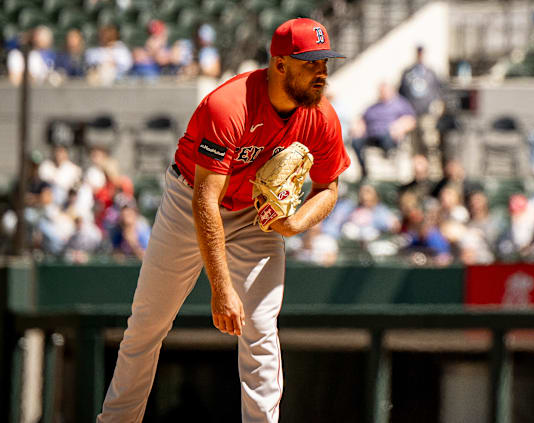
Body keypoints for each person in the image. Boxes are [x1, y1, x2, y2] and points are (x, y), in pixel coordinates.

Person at [98, 18, 350, 423]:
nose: (321, 72)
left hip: (253, 213)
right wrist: (221, 287)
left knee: (262, 328)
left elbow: (329, 188)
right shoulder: (230, 105)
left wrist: (296, 223)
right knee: (147, 324)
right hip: (190, 203)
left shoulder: (321, 116)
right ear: (281, 64)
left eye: (325, 62)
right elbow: (205, 200)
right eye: (311, 63)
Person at [350, 82, 416, 180]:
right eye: (381, 91)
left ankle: (388, 163)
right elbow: (362, 119)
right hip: (371, 135)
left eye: (385, 91)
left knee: (387, 137)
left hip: (390, 135)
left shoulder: (401, 104)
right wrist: (358, 127)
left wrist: (401, 127)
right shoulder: (373, 107)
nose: (383, 93)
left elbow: (411, 120)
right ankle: (364, 169)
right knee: (356, 141)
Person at [399, 46, 443, 157]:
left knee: (429, 142)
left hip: (427, 114)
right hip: (411, 114)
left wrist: (437, 108)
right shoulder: (408, 72)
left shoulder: (430, 73)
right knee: (412, 145)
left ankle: (432, 171)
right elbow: (401, 92)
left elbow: (438, 91)